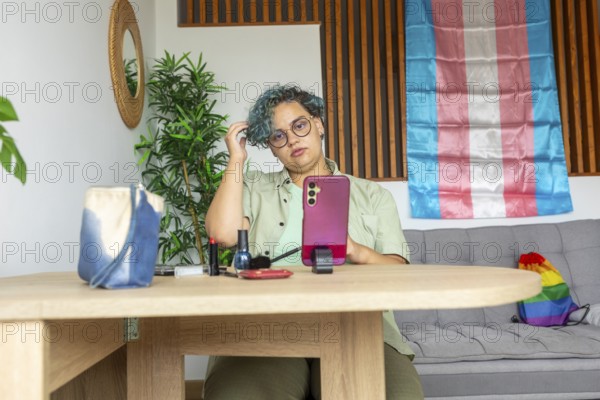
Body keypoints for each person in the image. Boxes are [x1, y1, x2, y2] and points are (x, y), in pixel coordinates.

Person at [204, 84, 424, 399]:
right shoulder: (254, 187)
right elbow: (222, 234)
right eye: (278, 135)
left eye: (299, 125)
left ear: (318, 124)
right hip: (267, 327)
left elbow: (400, 275)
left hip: (357, 328)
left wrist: (355, 250)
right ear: (271, 147)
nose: (292, 138)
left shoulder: (372, 195)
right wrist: (236, 159)